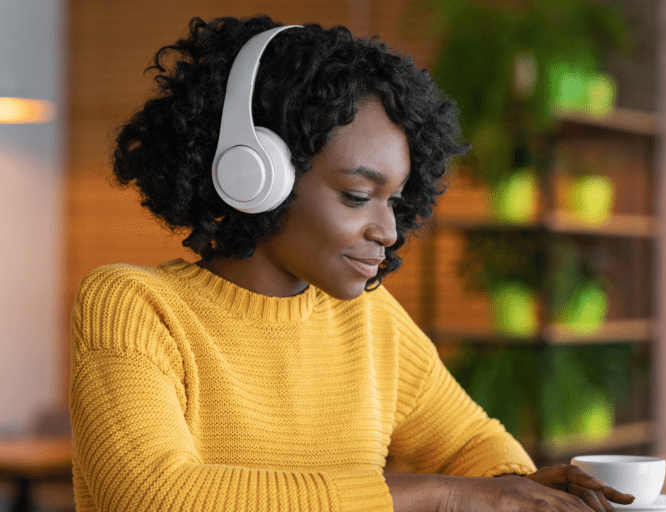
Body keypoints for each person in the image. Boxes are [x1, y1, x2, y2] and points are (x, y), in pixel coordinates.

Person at [69, 14, 635, 512]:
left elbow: (474, 448)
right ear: (256, 175)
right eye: (358, 197)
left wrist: (519, 489)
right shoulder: (133, 307)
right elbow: (154, 497)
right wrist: (446, 495)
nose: (388, 231)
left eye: (395, 200)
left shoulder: (369, 319)